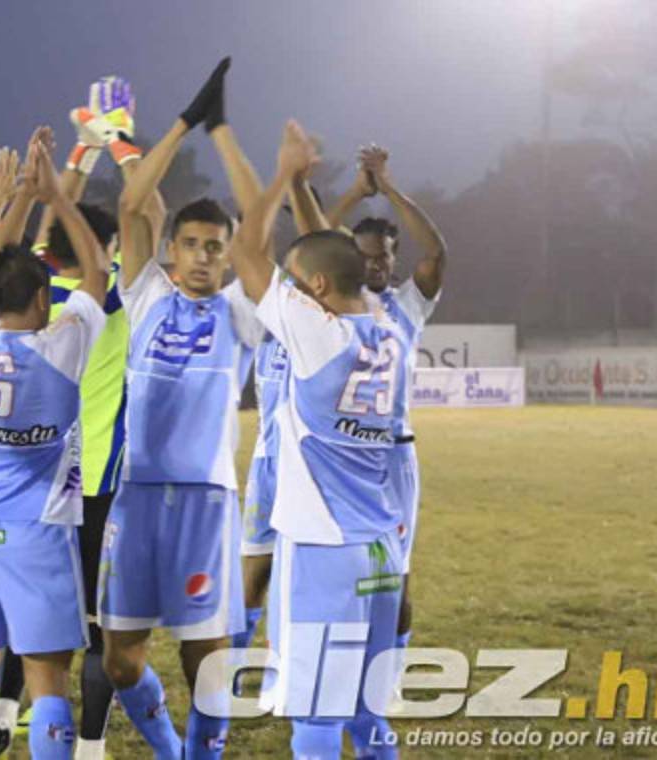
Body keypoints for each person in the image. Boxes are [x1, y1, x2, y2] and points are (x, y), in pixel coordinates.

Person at [0, 77, 161, 760]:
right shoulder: (108, 301)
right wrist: (112, 138)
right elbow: (142, 214)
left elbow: (49, 234)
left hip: (31, 479)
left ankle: (2, 709)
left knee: (36, 606)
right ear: (104, 253)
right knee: (94, 622)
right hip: (97, 481)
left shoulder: (39, 293)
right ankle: (87, 746)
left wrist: (71, 164)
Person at [97, 57, 260, 760]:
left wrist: (221, 131)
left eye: (214, 249)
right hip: (135, 496)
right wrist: (184, 121)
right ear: (170, 251)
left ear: (227, 258)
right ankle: (168, 748)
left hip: (206, 499)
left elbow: (260, 217)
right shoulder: (147, 295)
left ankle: (202, 756)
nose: (201, 257)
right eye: (190, 245)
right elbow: (133, 202)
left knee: (207, 656)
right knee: (119, 660)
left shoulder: (241, 311)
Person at [232, 119, 409, 760]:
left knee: (312, 716)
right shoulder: (390, 330)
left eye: (296, 277)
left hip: (322, 553)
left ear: (314, 290)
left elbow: (245, 255)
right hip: (381, 550)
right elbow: (320, 255)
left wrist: (281, 176)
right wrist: (310, 191)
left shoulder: (318, 336)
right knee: (367, 716)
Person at [0, 135, 109, 759]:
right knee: (47, 680)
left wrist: (0, 199)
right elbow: (95, 271)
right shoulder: (61, 349)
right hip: (36, 534)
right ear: (43, 299)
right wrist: (59, 199)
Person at [299, 144, 447, 684]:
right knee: (336, 575)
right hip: (337, 457)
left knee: (397, 578)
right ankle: (326, 672)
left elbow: (437, 254)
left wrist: (389, 188)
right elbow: (305, 251)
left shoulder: (408, 303)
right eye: (364, 256)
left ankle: (385, 678)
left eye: (385, 255)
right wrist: (353, 195)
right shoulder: (329, 303)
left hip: (394, 460)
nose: (376, 264)